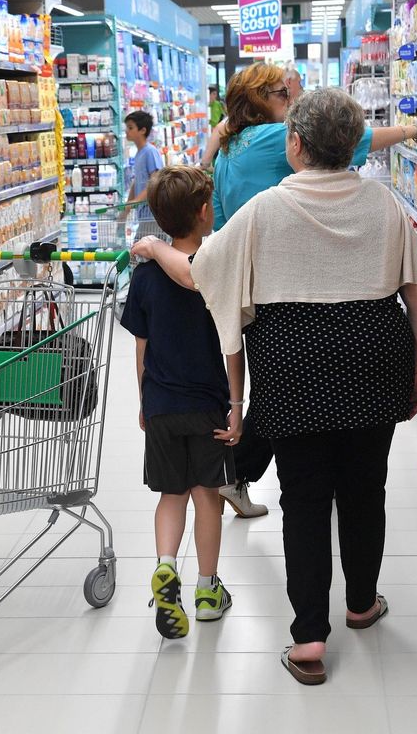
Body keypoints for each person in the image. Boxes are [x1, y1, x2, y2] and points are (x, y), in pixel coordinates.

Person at [132, 87, 417, 683]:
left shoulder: (265, 211)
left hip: (292, 366)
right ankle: (360, 604)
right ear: (351, 146)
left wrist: (149, 248)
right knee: (363, 490)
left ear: (295, 144)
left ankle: (308, 641)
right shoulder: (384, 205)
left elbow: (198, 272)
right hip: (376, 359)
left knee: (303, 498)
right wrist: (416, 368)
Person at [198, 62, 417, 518]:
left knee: (294, 455)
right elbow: (358, 139)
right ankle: (248, 475)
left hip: (270, 294)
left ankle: (245, 477)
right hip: (319, 280)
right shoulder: (278, 139)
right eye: (280, 93)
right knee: (363, 485)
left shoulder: (230, 148)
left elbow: (217, 223)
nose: (289, 101)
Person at [119, 165, 246, 640]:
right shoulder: (215, 271)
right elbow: (232, 346)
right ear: (202, 212)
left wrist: (143, 402)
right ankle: (208, 591)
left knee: (170, 496)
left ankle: (165, 565)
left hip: (163, 406)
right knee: (206, 498)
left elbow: (141, 347)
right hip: (208, 407)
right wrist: (236, 405)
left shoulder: (148, 277)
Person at [125, 110, 165, 205]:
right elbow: (137, 181)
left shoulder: (150, 152)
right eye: (127, 127)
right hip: (142, 211)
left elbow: (155, 182)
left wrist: (136, 201)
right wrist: (129, 204)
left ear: (143, 130)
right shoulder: (139, 153)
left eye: (130, 128)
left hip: (151, 211)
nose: (127, 131)